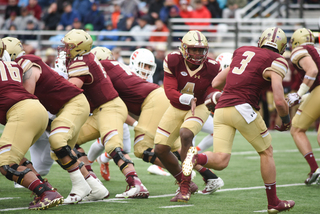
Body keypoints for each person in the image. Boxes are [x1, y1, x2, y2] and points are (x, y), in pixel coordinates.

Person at [182, 27, 296, 213]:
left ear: (261, 41)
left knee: (220, 160)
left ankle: (194, 157)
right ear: (282, 47)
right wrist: (285, 120)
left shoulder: (243, 50)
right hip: (243, 108)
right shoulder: (277, 60)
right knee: (266, 151)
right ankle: (273, 202)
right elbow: (279, 101)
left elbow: (217, 82)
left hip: (221, 109)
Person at [3, 37, 109, 204]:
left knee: (57, 140)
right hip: (64, 107)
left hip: (73, 103)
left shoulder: (25, 61)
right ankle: (95, 187)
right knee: (60, 151)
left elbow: (27, 95)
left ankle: (79, 187)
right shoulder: (23, 63)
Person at [62, 29, 149, 199]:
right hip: (99, 111)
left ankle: (136, 184)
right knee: (68, 139)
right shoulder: (89, 59)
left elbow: (70, 90)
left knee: (112, 146)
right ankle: (93, 183)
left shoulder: (82, 61)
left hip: (109, 108)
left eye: (69, 46)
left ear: (79, 48)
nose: (65, 49)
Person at [154, 30, 222, 202]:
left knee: (186, 134)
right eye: (193, 49)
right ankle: (184, 181)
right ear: (184, 48)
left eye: (201, 50)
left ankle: (185, 185)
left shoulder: (213, 66)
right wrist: (186, 98)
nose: (198, 54)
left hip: (198, 107)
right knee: (160, 149)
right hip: (176, 106)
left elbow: (213, 89)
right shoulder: (173, 60)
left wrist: (213, 96)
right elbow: (169, 91)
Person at [0, 38, 64, 210]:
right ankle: (46, 188)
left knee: (6, 164)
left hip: (22, 113)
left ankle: (46, 193)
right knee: (17, 157)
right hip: (37, 109)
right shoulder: (10, 65)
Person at [286, 28, 320, 185]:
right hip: (317, 92)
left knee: (297, 128)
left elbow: (312, 70)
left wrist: (299, 94)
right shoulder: (316, 50)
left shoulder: (299, 50)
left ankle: (315, 169)